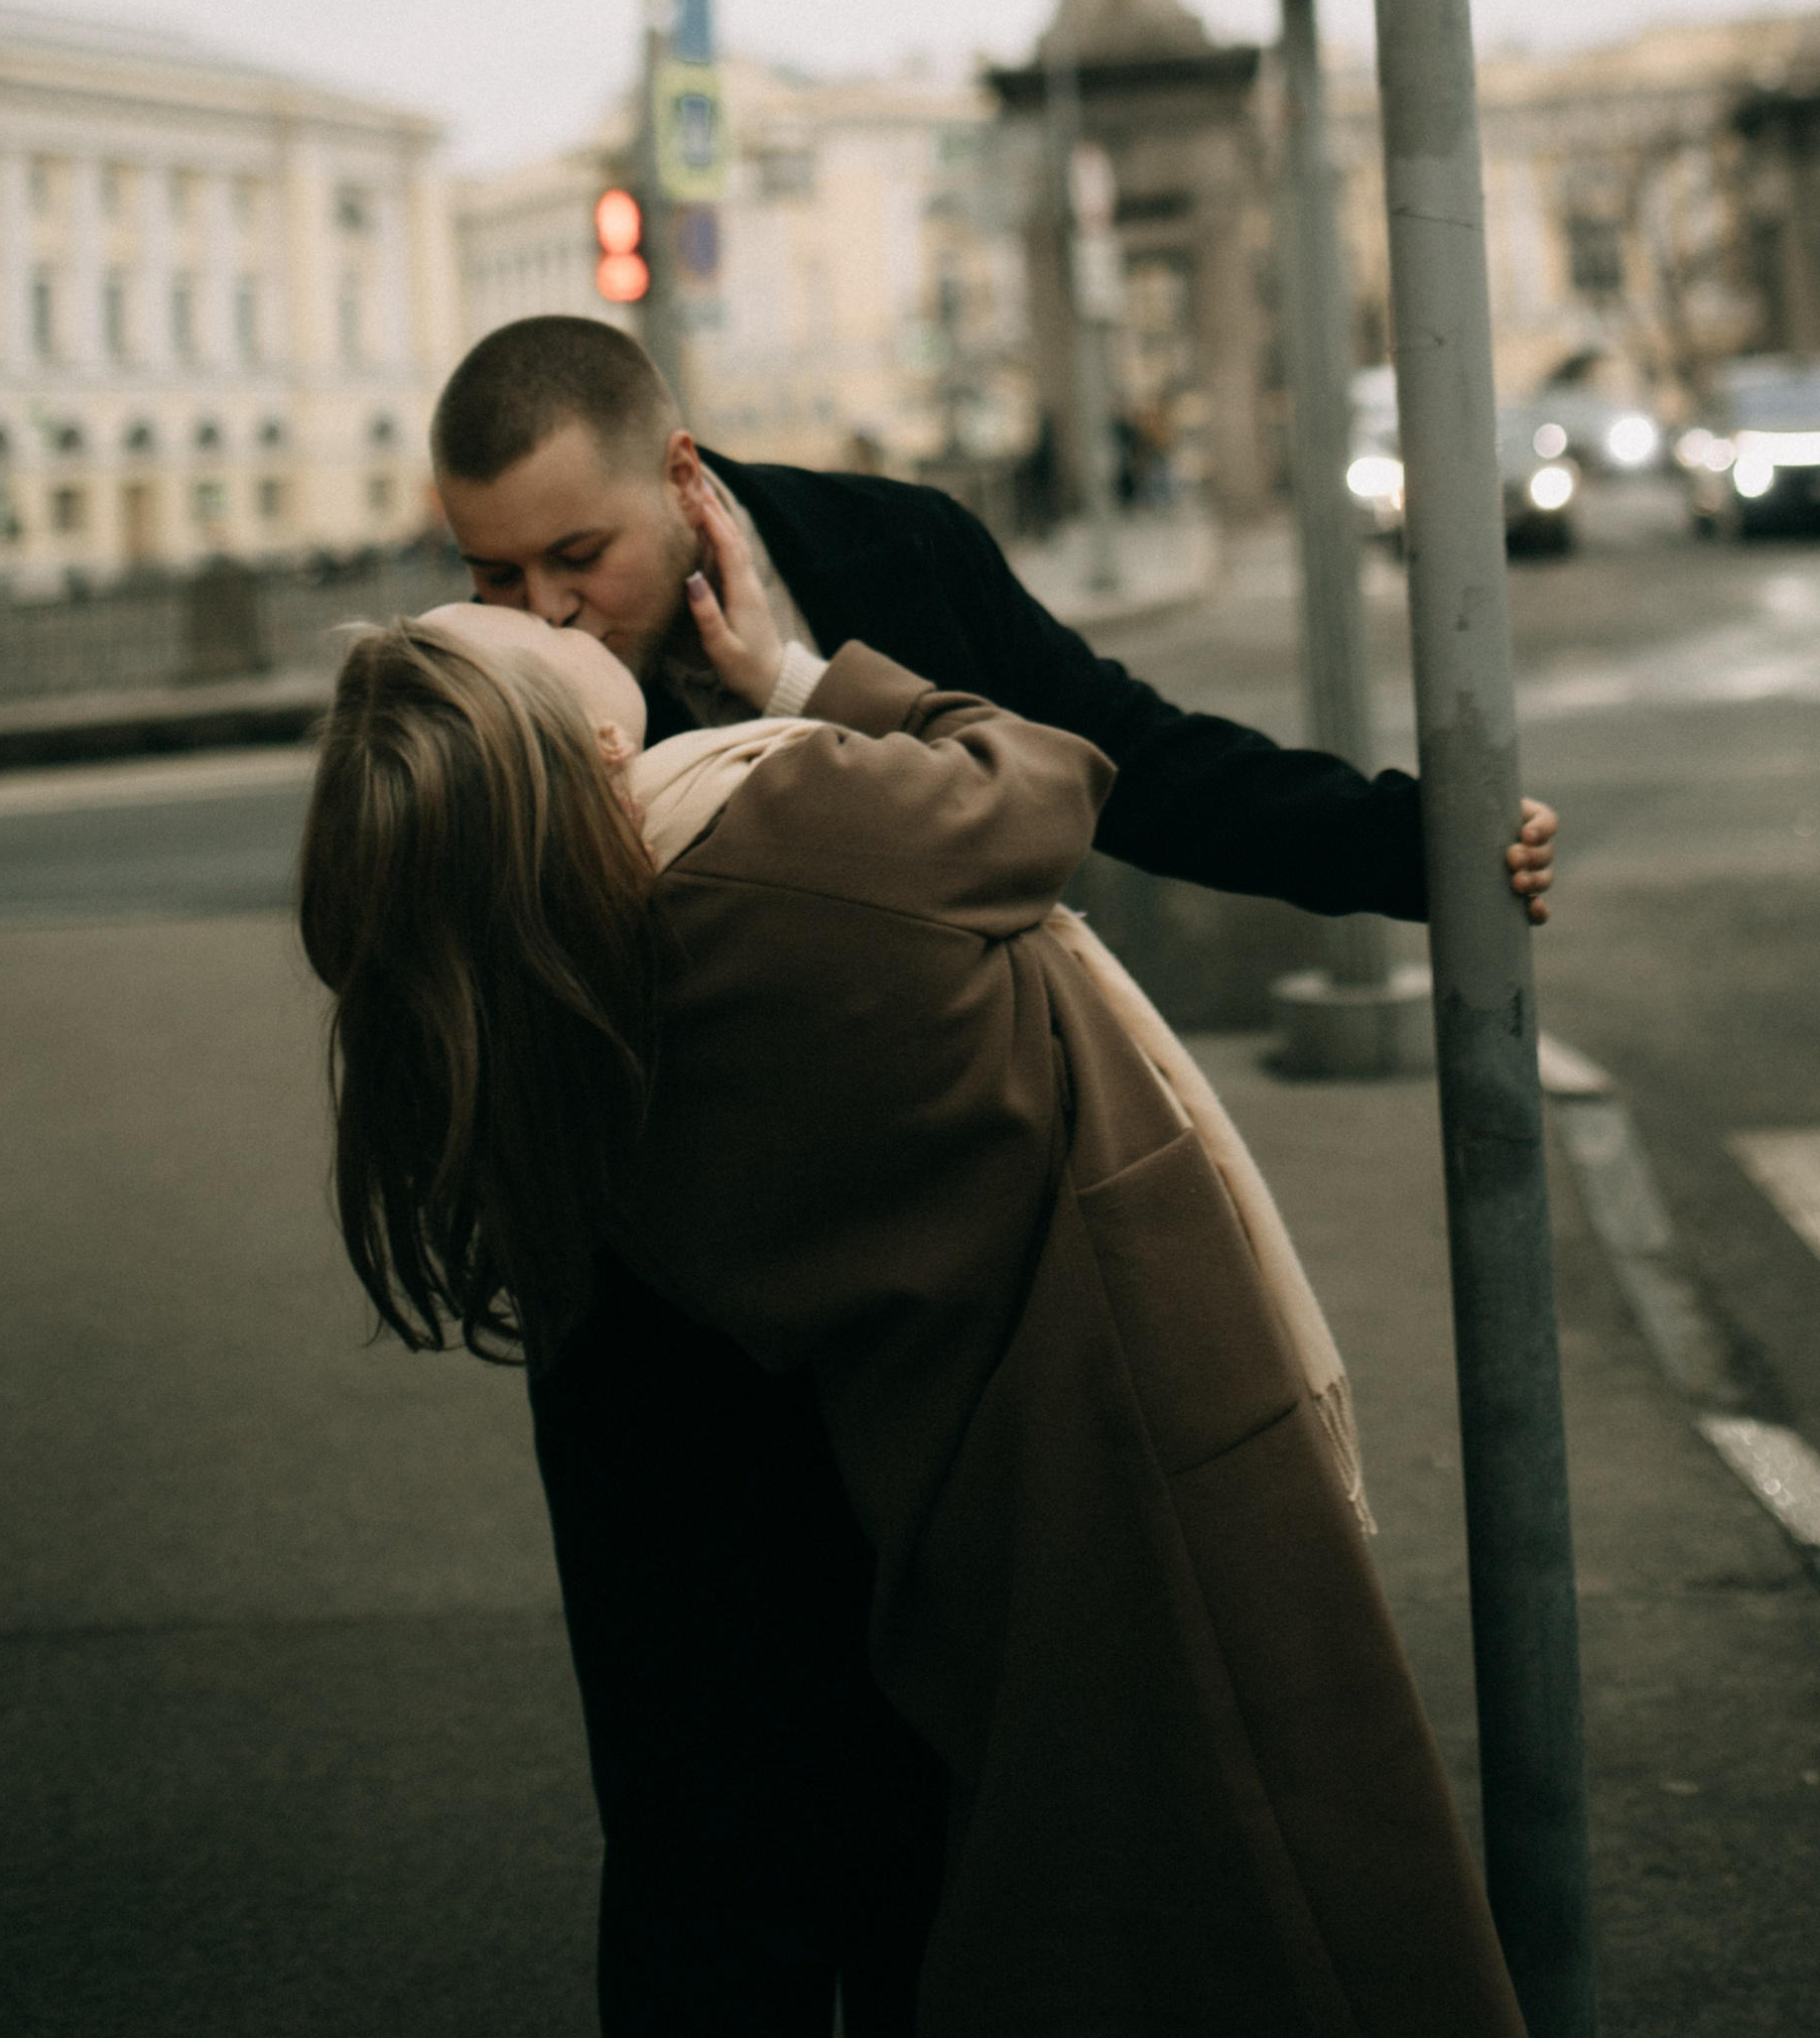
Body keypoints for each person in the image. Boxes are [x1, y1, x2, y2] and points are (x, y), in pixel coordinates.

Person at [419, 314, 1557, 2033]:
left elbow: (1121, 758)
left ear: (682, 473)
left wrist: (1416, 849)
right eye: (493, 571)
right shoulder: (490, 672)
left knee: (928, 1807)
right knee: (697, 1837)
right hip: (650, 1337)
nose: (545, 613)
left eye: (578, 556)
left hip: (936, 1314)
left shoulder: (889, 553)